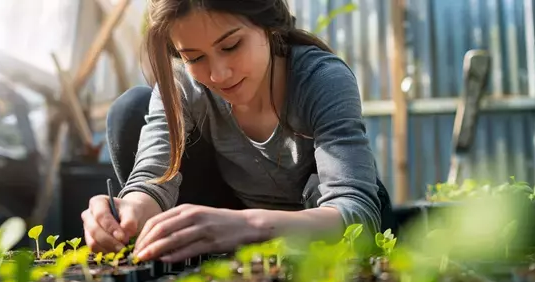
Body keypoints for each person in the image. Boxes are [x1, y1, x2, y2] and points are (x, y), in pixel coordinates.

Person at [82, 0, 395, 263]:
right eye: (194, 58)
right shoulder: (185, 86)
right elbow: (153, 176)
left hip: (316, 232)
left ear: (269, 26)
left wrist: (250, 224)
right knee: (130, 109)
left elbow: (356, 214)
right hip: (231, 219)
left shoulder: (320, 80)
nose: (218, 74)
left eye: (231, 46)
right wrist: (128, 210)